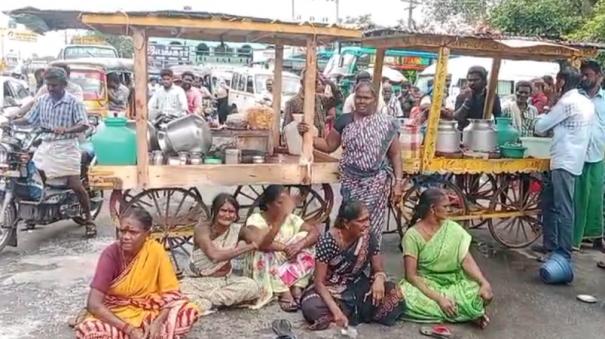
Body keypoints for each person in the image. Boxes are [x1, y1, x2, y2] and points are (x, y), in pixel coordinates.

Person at [299, 82, 403, 247]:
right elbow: (328, 145)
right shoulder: (345, 120)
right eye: (359, 97)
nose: (361, 101)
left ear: (375, 99)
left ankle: (367, 260)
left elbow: (395, 154)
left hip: (376, 183)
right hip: (351, 181)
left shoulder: (386, 123)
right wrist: (306, 135)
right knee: (349, 223)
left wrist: (398, 183)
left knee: (370, 224)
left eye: (366, 98)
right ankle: (345, 259)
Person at [73, 207, 200, 339]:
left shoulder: (156, 251)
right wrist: (129, 330)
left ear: (148, 234)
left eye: (133, 232)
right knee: (90, 330)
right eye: (122, 231)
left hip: (148, 310)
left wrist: (158, 322)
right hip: (117, 311)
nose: (126, 237)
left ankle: (150, 331)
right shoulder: (110, 254)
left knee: (188, 311)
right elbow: (93, 304)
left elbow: (170, 294)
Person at [10, 67, 95, 237]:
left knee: (76, 186)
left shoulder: (73, 102)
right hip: (46, 146)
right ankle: (39, 212)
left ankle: (89, 219)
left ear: (64, 84)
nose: (50, 88)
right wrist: (10, 122)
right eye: (48, 85)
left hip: (67, 147)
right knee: (33, 177)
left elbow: (84, 124)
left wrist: (67, 129)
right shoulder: (42, 101)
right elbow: (29, 119)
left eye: (54, 85)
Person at [300, 200, 405, 330]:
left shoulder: (368, 237)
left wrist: (379, 278)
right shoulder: (327, 241)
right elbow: (319, 282)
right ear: (346, 223)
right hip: (331, 288)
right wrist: (336, 311)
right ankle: (341, 314)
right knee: (312, 306)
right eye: (362, 221)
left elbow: (378, 268)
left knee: (394, 294)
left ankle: (346, 314)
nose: (367, 225)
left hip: (357, 285)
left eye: (368, 220)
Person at [401, 188, 493, 327]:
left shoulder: (453, 228)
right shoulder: (412, 235)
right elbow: (411, 276)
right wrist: (439, 299)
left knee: (478, 292)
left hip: (453, 282)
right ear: (433, 208)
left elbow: (466, 260)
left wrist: (484, 282)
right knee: (404, 296)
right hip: (427, 284)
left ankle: (460, 311)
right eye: (445, 206)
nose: (449, 209)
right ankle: (467, 313)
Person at [533, 68, 595, 260]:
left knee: (563, 207)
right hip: (572, 159)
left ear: (561, 82)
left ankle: (563, 252)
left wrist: (543, 112)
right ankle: (550, 246)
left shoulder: (567, 102)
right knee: (550, 203)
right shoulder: (585, 101)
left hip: (563, 160)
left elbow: (540, 127)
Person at [241, 185, 319, 311]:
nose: (284, 207)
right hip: (266, 264)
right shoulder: (256, 219)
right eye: (280, 203)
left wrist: (299, 245)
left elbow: (314, 232)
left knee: (306, 239)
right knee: (265, 251)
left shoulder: (292, 219)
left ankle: (297, 286)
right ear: (268, 204)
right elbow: (262, 243)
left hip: (286, 261)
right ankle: (283, 291)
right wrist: (284, 244)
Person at [180, 194, 261, 310]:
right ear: (215, 211)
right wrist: (248, 247)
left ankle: (207, 302)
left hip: (225, 281)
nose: (227, 215)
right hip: (198, 282)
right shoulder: (202, 229)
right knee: (182, 289)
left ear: (236, 215)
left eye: (231, 212)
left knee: (251, 286)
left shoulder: (237, 229)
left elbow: (260, 240)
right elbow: (214, 256)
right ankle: (216, 301)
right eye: (223, 210)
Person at [574, 60, 605, 251]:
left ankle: (593, 236)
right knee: (577, 198)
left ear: (599, 76)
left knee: (595, 197)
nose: (584, 78)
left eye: (588, 75)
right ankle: (574, 238)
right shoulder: (576, 98)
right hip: (576, 155)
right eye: (582, 75)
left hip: (599, 154)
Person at [454, 66, 502, 130]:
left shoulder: (492, 97)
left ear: (484, 81)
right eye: (470, 80)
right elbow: (457, 118)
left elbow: (498, 118)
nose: (472, 83)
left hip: (483, 132)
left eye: (476, 80)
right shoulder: (462, 96)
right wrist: (467, 102)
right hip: (464, 133)